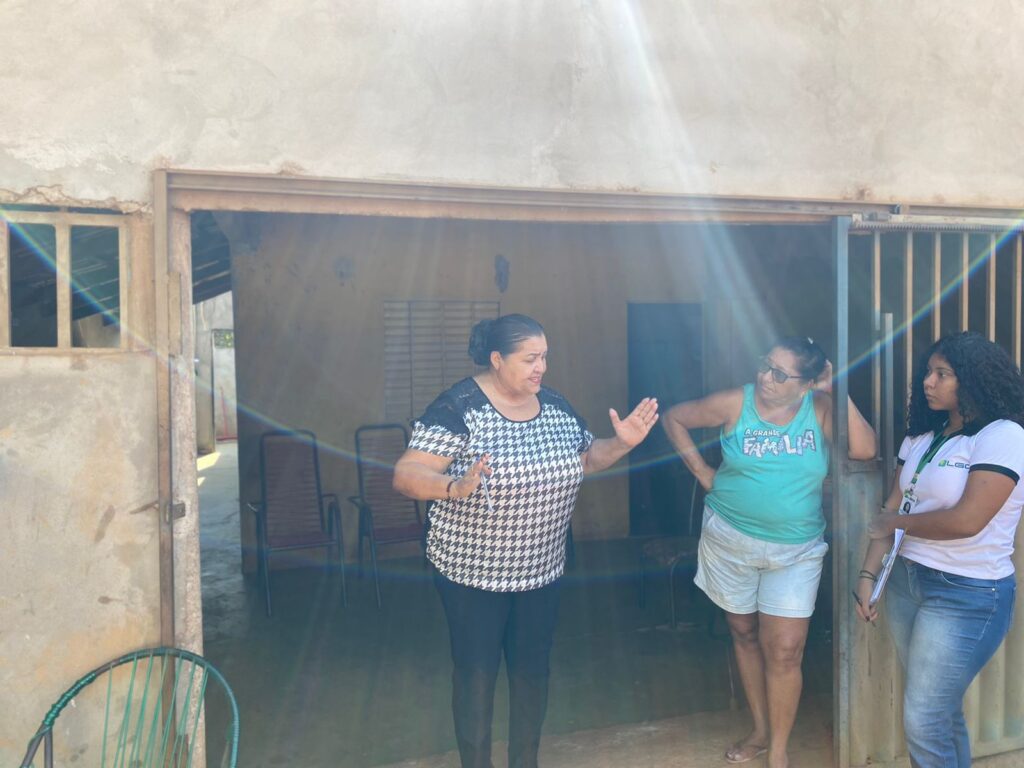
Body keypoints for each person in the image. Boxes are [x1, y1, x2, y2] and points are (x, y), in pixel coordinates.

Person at [393, 313, 658, 768]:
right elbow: (406, 474)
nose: (541, 368)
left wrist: (621, 443)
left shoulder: (553, 405)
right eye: (530, 358)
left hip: (540, 569)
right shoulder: (460, 408)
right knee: (476, 676)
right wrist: (455, 486)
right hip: (471, 574)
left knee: (532, 673)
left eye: (545, 357)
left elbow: (585, 459)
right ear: (497, 359)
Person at [664, 336, 877, 768]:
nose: (766, 377)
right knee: (744, 633)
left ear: (807, 383)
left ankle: (778, 749)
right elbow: (674, 418)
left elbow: (865, 449)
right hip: (731, 540)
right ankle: (760, 731)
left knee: (784, 650)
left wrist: (836, 389)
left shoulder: (820, 409)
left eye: (780, 374)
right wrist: (702, 471)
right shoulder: (735, 403)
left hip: (796, 551)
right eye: (765, 365)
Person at [855, 332, 1024, 768]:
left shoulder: (1003, 436)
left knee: (925, 719)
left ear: (972, 378)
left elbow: (968, 520)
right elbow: (892, 506)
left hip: (967, 593)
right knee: (940, 713)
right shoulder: (921, 437)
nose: (928, 382)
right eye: (928, 372)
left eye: (942, 374)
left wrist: (895, 525)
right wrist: (869, 575)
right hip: (907, 582)